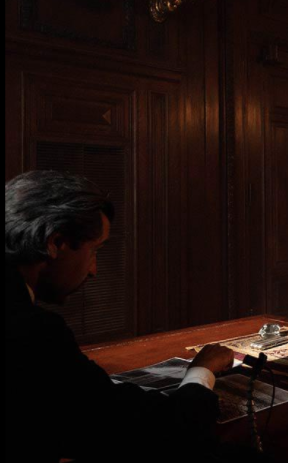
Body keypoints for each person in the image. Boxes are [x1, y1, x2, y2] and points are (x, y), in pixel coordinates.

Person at [5, 170, 234, 463]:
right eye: (94, 251)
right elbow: (167, 429)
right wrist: (203, 370)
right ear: (55, 242)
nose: (93, 270)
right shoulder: (33, 331)